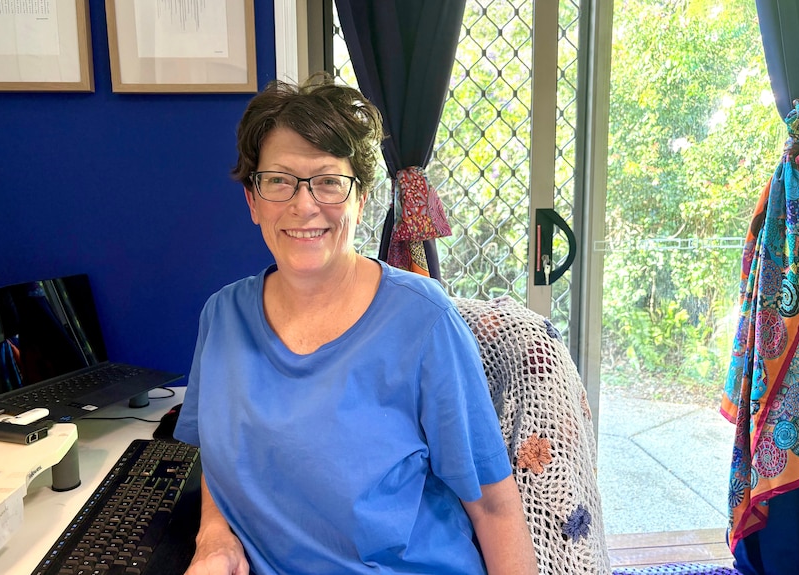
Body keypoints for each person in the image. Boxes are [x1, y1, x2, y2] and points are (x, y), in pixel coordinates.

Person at [173, 75, 538, 575]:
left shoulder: (424, 322)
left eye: (328, 180)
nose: (304, 205)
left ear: (361, 199)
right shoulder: (221, 317)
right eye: (279, 180)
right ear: (253, 201)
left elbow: (493, 505)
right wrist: (213, 536)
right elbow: (222, 454)